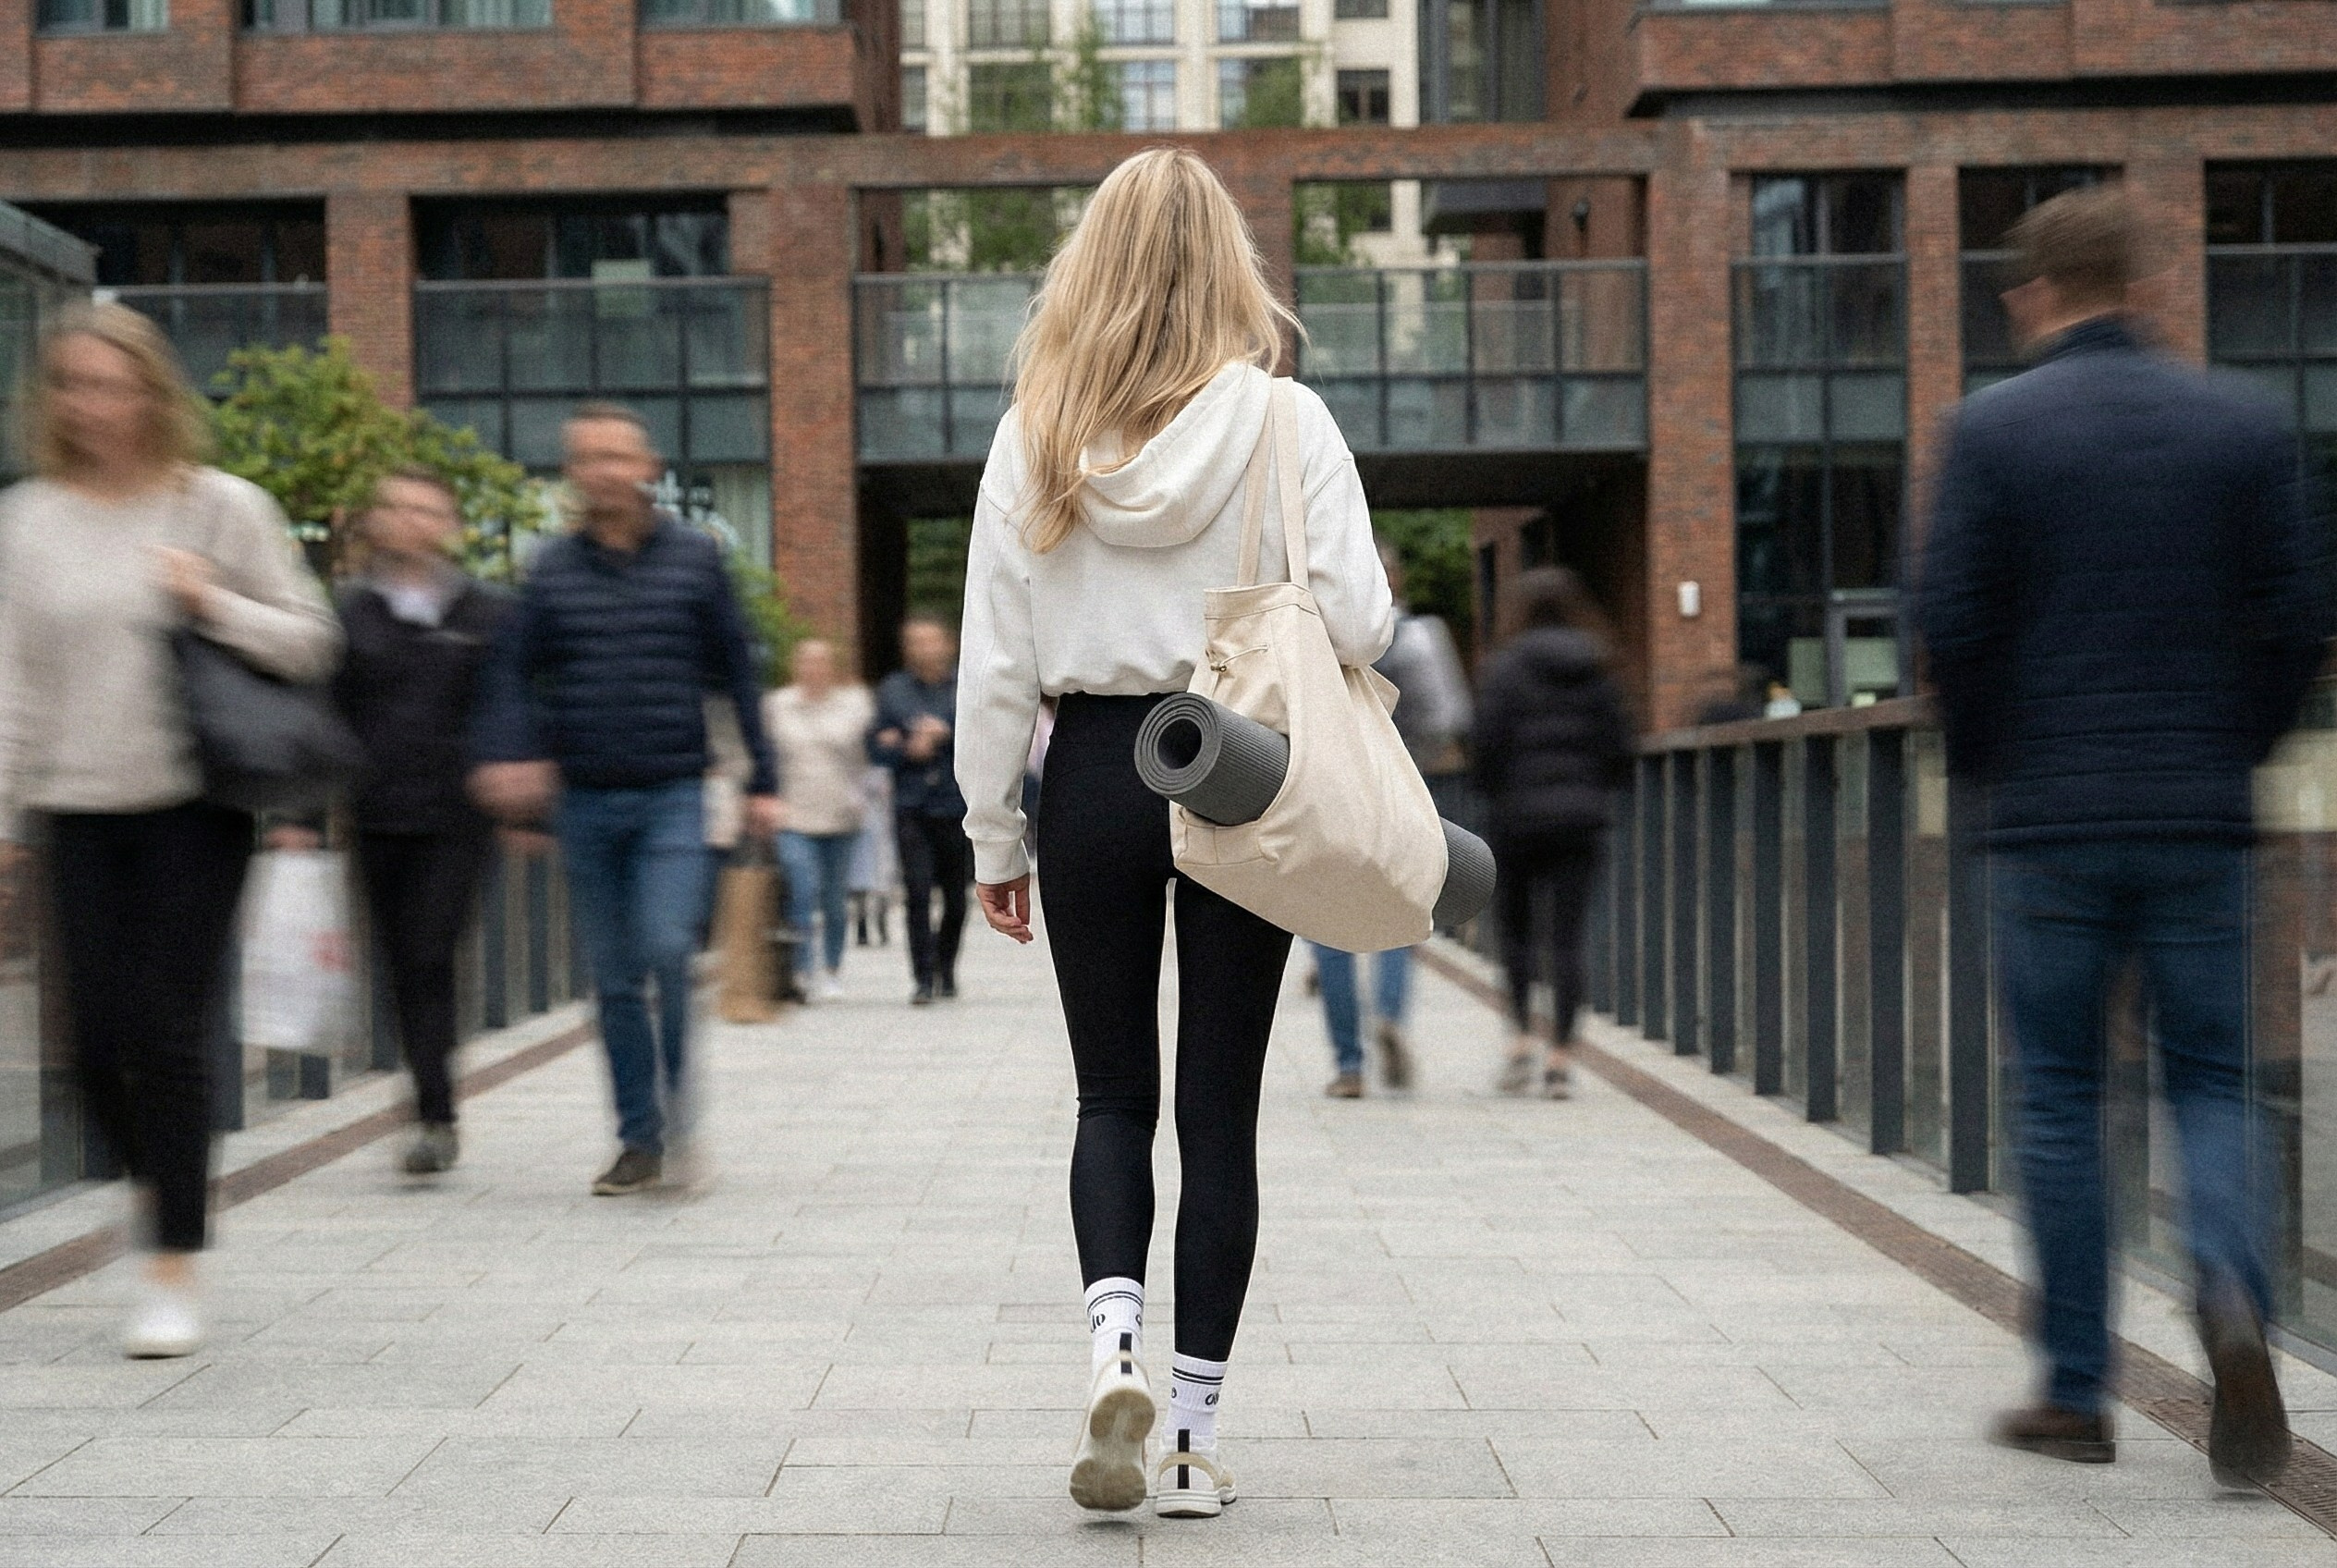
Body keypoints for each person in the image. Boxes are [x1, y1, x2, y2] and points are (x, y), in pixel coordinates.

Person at [956, 149, 1392, 1520]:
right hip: (1238, 767)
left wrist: (991, 838)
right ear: (1230, 267)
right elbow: (1366, 621)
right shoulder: (1286, 423)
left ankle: (1112, 1347)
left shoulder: (1035, 431)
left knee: (1109, 1096)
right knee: (1219, 1112)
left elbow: (992, 667)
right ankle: (1194, 1437)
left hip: (1089, 773)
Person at [1916, 187, 2329, 1484]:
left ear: (2033, 293)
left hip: (2047, 816)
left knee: (2060, 1097)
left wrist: (1990, 761)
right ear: (2144, 283)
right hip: (2200, 812)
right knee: (2212, 1080)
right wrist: (2242, 747)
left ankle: (2078, 1391)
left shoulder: (1992, 429)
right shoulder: (2243, 424)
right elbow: (2302, 612)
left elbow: (1950, 616)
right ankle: (2232, 1294)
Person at [0, 303, 338, 1356]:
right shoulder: (29, 519)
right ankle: (156, 1195)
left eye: (111, 384)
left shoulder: (219, 507)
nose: (90, 404)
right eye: (71, 385)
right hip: (76, 807)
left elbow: (313, 644)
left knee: (166, 1029)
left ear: (153, 392)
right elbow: (11, 681)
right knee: (91, 1045)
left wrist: (212, 603)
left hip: (194, 807)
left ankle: (173, 1260)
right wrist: (8, 819)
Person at [471, 402, 781, 1198]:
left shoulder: (695, 561)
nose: (604, 470)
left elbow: (738, 674)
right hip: (585, 800)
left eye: (618, 455)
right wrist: (513, 754)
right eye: (587, 457)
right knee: (612, 980)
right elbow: (510, 674)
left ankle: (680, 1119)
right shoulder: (549, 570)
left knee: (669, 949)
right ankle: (638, 1139)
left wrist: (766, 781)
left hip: (674, 792)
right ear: (573, 473)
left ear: (649, 469)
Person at [315, 466, 508, 1178]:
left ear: (449, 523)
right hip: (375, 815)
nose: (411, 520)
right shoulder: (350, 613)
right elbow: (323, 715)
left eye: (427, 508)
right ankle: (428, 1098)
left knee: (431, 953)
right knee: (400, 963)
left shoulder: (485, 615)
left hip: (458, 819)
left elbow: (507, 709)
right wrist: (304, 816)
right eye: (396, 507)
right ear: (375, 521)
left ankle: (435, 1113)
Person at [1313, 537, 1470, 1098]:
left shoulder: (1309, 640)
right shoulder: (1420, 638)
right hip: (1401, 796)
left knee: (1328, 932)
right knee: (1400, 922)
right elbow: (1448, 716)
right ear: (1396, 581)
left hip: (1327, 799)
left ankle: (1350, 1065)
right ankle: (1391, 1016)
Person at [1471, 567, 1633, 1100]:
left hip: (1515, 819)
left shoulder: (1504, 669)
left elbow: (1486, 746)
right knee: (1568, 938)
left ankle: (1519, 1038)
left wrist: (1495, 793)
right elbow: (1619, 748)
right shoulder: (1598, 668)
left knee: (1516, 934)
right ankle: (1561, 1057)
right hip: (1580, 820)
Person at [869, 617, 970, 1005]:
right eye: (914, 642)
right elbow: (876, 744)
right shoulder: (893, 690)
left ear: (948, 645)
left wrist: (945, 733)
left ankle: (946, 965)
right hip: (912, 805)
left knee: (956, 898)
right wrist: (904, 747)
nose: (923, 649)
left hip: (955, 804)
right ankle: (922, 976)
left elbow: (985, 735)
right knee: (916, 894)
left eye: (930, 641)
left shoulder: (964, 688)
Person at [766, 638, 874, 1000]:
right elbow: (765, 759)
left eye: (821, 662)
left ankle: (831, 968)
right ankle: (801, 969)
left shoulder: (854, 706)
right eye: (807, 662)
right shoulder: (777, 706)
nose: (814, 669)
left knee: (833, 898)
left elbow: (866, 758)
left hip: (841, 814)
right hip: (793, 814)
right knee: (801, 887)